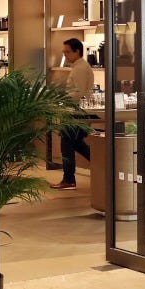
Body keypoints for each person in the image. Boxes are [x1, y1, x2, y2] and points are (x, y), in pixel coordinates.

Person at [52, 37, 95, 190]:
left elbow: (79, 92)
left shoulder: (80, 68)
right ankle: (105, 165)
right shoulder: (79, 67)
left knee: (67, 143)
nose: (65, 56)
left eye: (67, 52)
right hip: (76, 111)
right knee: (75, 143)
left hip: (77, 113)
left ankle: (69, 179)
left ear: (77, 51)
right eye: (64, 53)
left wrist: (62, 98)